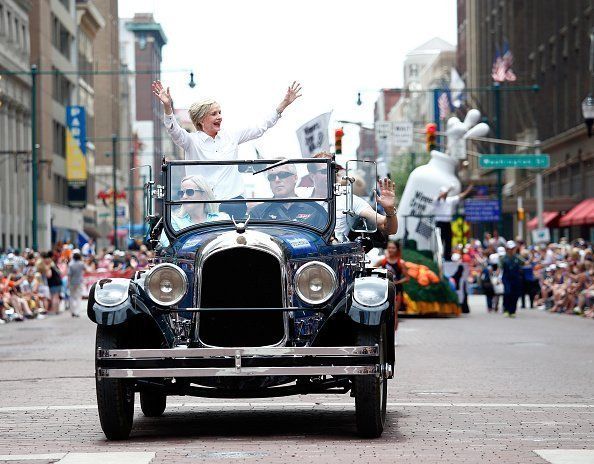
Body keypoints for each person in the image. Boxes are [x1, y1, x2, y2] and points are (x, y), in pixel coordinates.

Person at [152, 80, 302, 218]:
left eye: (220, 112)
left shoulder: (231, 136)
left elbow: (260, 128)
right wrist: (167, 107)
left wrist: (283, 105)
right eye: (214, 114)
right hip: (203, 205)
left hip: (233, 203)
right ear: (201, 120)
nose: (220, 117)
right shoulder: (191, 141)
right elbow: (174, 130)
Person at [310, 153, 397, 241]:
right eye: (324, 171)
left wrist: (389, 209)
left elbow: (388, 228)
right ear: (312, 175)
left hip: (334, 251)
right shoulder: (300, 197)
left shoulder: (349, 200)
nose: (331, 174)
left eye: (334, 170)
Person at [250, 164, 328, 228]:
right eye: (272, 177)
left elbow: (325, 242)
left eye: (282, 175)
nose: (277, 180)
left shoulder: (315, 210)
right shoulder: (257, 213)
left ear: (295, 178)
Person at [374, 240, 409, 332]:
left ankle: (393, 336)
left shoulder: (400, 262)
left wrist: (397, 282)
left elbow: (407, 278)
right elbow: (372, 269)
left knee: (394, 313)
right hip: (384, 289)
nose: (391, 250)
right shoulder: (383, 261)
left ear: (397, 249)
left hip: (396, 291)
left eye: (393, 248)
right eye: (389, 247)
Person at [432, 184, 473, 260]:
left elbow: (461, 195)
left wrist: (469, 189)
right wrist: (449, 188)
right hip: (439, 224)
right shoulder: (436, 200)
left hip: (447, 223)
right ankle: (438, 257)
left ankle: (447, 257)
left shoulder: (450, 200)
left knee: (448, 241)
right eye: (444, 192)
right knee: (439, 241)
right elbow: (440, 196)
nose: (445, 194)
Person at [501, 240, 523, 317]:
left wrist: (532, 256)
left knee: (515, 294)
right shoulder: (503, 258)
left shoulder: (517, 257)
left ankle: (512, 311)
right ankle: (506, 309)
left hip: (516, 278)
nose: (510, 250)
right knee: (507, 293)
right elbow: (499, 268)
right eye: (509, 248)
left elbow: (525, 263)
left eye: (512, 248)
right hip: (507, 278)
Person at [67, 251, 85, 318]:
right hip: (79, 282)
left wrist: (68, 283)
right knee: (78, 297)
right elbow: (87, 269)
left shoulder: (70, 264)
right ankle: (77, 312)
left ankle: (73, 311)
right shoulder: (81, 264)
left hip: (72, 282)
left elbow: (69, 275)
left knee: (72, 297)